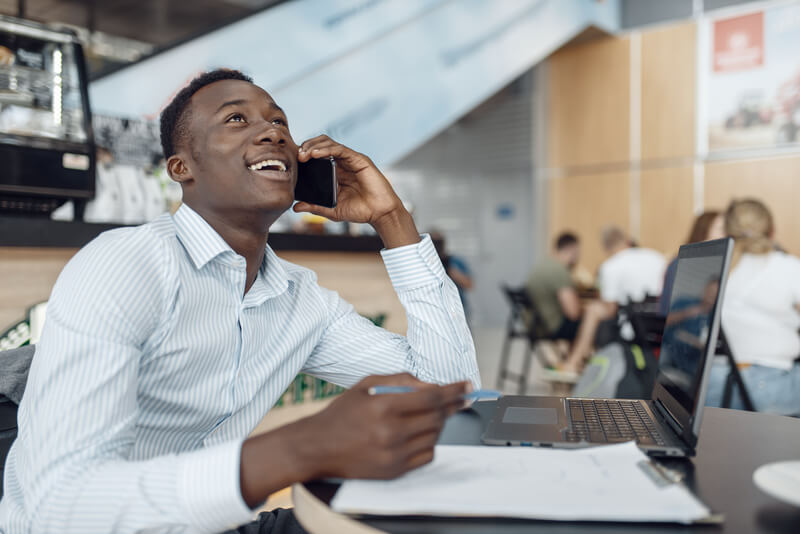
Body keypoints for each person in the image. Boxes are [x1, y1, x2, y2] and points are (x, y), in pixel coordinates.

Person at [0, 69, 479, 533]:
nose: (273, 133)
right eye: (236, 119)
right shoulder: (127, 265)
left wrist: (392, 218)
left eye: (279, 122)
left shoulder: (299, 298)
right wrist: (301, 447)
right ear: (182, 168)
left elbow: (448, 392)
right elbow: (59, 511)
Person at [705, 199, 800, 416]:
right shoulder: (788, 267)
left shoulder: (718, 269)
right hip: (768, 387)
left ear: (728, 231)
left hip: (714, 386)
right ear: (771, 230)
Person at [559, 226, 666, 375]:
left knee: (593, 310)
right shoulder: (657, 257)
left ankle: (575, 363)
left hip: (632, 328)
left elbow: (610, 308)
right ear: (627, 240)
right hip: (661, 325)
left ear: (606, 248)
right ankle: (578, 362)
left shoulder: (610, 266)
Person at [659, 211, 726, 315]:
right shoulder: (680, 263)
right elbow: (667, 308)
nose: (726, 234)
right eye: (720, 229)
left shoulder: (719, 262)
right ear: (704, 230)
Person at [525, 232, 582, 341]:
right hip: (551, 327)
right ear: (572, 249)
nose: (578, 256)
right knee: (594, 321)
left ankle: (568, 351)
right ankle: (579, 352)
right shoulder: (559, 270)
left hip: (534, 324)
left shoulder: (542, 265)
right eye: (578, 252)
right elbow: (573, 313)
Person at [430, 230, 474, 321]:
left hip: (458, 309)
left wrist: (452, 273)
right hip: (434, 311)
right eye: (434, 242)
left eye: (439, 242)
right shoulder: (425, 263)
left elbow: (469, 285)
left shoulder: (455, 261)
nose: (436, 246)